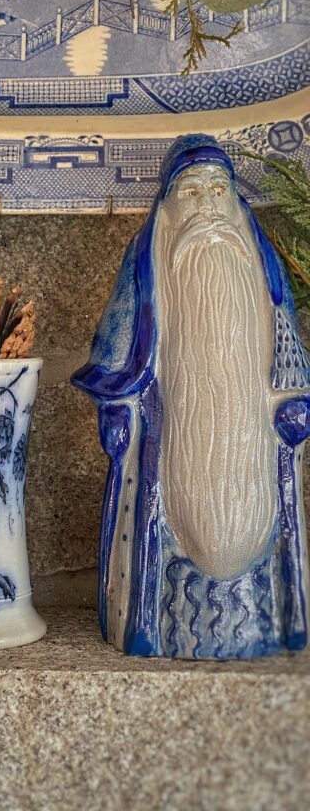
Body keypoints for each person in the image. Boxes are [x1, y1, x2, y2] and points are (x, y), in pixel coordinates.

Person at [72, 134, 310, 658]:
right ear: (168, 204)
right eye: (191, 191)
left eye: (218, 190)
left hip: (253, 445)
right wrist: (116, 404)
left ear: (235, 198)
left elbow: (288, 346)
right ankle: (160, 623)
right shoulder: (147, 264)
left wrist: (294, 401)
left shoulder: (262, 265)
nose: (207, 205)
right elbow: (116, 347)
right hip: (172, 443)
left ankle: (261, 623)